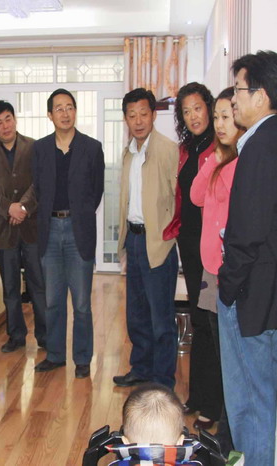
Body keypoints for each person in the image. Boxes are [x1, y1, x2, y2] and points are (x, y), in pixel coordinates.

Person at [217, 51, 277, 466]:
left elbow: (248, 230)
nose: (234, 99)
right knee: (262, 396)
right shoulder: (276, 139)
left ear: (261, 96)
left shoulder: (260, 147)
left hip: (250, 296)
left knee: (251, 403)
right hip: (267, 293)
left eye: (239, 90)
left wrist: (227, 286)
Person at [32, 89, 104, 379]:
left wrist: (80, 215)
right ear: (50, 115)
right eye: (59, 108)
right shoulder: (40, 149)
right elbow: (38, 188)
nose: (65, 113)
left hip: (78, 231)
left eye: (69, 107)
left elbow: (96, 191)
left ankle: (83, 358)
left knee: (82, 303)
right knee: (52, 300)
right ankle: (55, 355)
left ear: (76, 111)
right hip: (49, 230)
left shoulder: (92, 147)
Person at [113, 88, 179, 389]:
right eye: (132, 115)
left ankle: (162, 380)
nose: (138, 121)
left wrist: (168, 233)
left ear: (153, 115)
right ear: (126, 119)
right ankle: (140, 368)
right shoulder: (128, 152)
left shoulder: (168, 149)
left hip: (158, 242)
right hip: (134, 239)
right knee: (136, 313)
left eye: (143, 114)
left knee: (161, 317)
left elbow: (178, 198)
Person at [190, 86, 244, 452]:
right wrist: (214, 158)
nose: (220, 124)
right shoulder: (215, 159)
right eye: (218, 117)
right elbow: (196, 195)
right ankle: (221, 426)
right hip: (210, 269)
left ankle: (227, 433)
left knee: (230, 355)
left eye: (227, 117)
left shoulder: (244, 163)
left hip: (229, 271)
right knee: (214, 344)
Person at [171, 82, 223, 431]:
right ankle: (198, 396)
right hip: (189, 245)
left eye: (198, 108)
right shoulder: (187, 149)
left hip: (210, 248)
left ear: (210, 107)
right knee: (199, 319)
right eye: (186, 111)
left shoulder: (221, 147)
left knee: (210, 323)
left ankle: (213, 404)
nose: (193, 116)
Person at [0, 100, 47, 353]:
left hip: (32, 229)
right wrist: (9, 208)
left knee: (38, 285)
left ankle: (45, 336)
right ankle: (16, 336)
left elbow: (40, 182)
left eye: (8, 119)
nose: (5, 125)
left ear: (15, 119)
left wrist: (23, 208)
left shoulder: (34, 147)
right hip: (4, 230)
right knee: (10, 288)